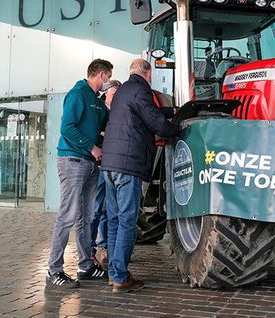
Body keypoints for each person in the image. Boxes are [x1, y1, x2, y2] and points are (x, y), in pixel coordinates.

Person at [100, 59, 180, 293]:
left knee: (115, 219)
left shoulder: (124, 90)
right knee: (127, 220)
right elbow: (156, 122)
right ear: (148, 73)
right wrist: (179, 128)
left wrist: (173, 111)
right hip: (128, 165)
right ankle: (121, 276)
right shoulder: (141, 90)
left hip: (110, 165)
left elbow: (148, 112)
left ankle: (114, 273)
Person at [46, 59, 114, 289]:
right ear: (101, 75)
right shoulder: (78, 94)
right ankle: (53, 270)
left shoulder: (96, 101)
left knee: (86, 217)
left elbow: (106, 124)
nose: (108, 83)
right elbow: (67, 128)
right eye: (108, 78)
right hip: (73, 160)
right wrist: (92, 147)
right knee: (67, 217)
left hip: (90, 164)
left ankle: (86, 265)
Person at [90, 79, 122, 271]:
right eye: (112, 94)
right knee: (95, 210)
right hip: (98, 166)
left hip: (111, 167)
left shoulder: (119, 114)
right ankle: (89, 250)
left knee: (110, 211)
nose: (115, 97)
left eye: (118, 94)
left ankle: (106, 248)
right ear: (106, 95)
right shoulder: (100, 111)